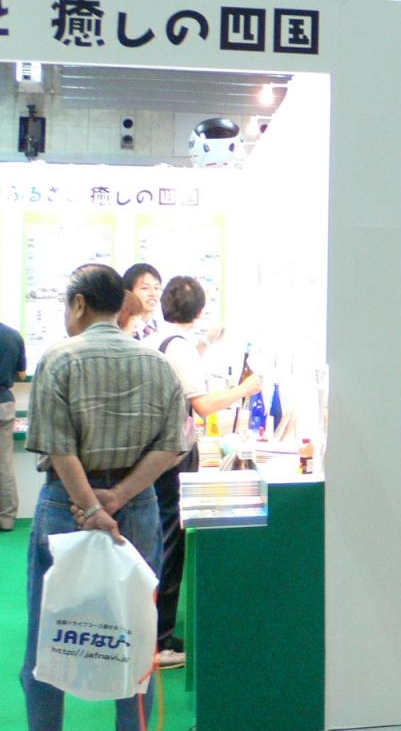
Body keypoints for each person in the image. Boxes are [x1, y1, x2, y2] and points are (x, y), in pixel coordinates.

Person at [21, 264, 189, 730]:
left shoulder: (60, 359)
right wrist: (117, 497)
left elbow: (59, 447)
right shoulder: (156, 362)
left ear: (78, 304)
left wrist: (92, 506)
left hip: (67, 505)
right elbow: (172, 446)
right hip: (137, 506)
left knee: (48, 637)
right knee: (134, 638)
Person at [153, 276, 263, 668]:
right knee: (171, 544)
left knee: (165, 540)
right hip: (172, 454)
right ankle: (160, 641)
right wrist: (246, 389)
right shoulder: (180, 348)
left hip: (161, 453)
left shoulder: (163, 340)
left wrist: (207, 342)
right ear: (200, 312)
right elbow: (203, 405)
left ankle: (157, 632)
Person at [0, 319, 26, 532]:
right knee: (4, 463)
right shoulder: (13, 335)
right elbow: (22, 374)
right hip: (4, 402)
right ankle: (7, 519)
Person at [121, 262, 163, 341]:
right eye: (145, 288)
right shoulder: (121, 330)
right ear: (129, 291)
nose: (153, 294)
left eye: (157, 288)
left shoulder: (164, 330)